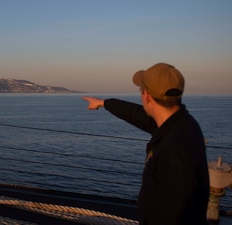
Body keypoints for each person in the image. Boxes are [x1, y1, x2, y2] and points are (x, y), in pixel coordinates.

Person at [82, 63, 209, 225]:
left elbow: (177, 214)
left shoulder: (174, 149)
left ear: (147, 95)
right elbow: (136, 114)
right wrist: (103, 103)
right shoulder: (181, 123)